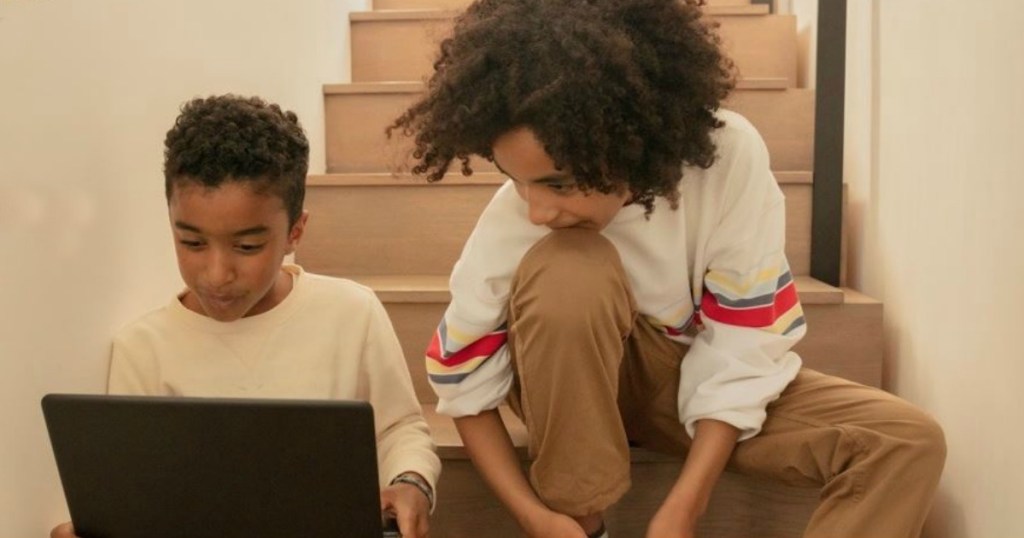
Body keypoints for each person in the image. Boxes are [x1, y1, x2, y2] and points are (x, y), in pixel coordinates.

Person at [387, 0, 945, 537]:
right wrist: (540, 519)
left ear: (628, 145)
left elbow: (742, 343)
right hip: (565, 385)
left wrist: (684, 508)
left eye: (557, 183)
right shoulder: (516, 221)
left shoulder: (727, 156)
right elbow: (464, 380)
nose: (537, 210)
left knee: (904, 441)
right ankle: (588, 521)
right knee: (567, 268)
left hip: (686, 384)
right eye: (517, 179)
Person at [50, 94, 440, 538]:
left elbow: (400, 428)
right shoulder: (142, 348)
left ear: (295, 231)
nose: (217, 274)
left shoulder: (352, 314)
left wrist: (411, 481)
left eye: (248, 247)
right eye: (192, 244)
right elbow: (135, 493)